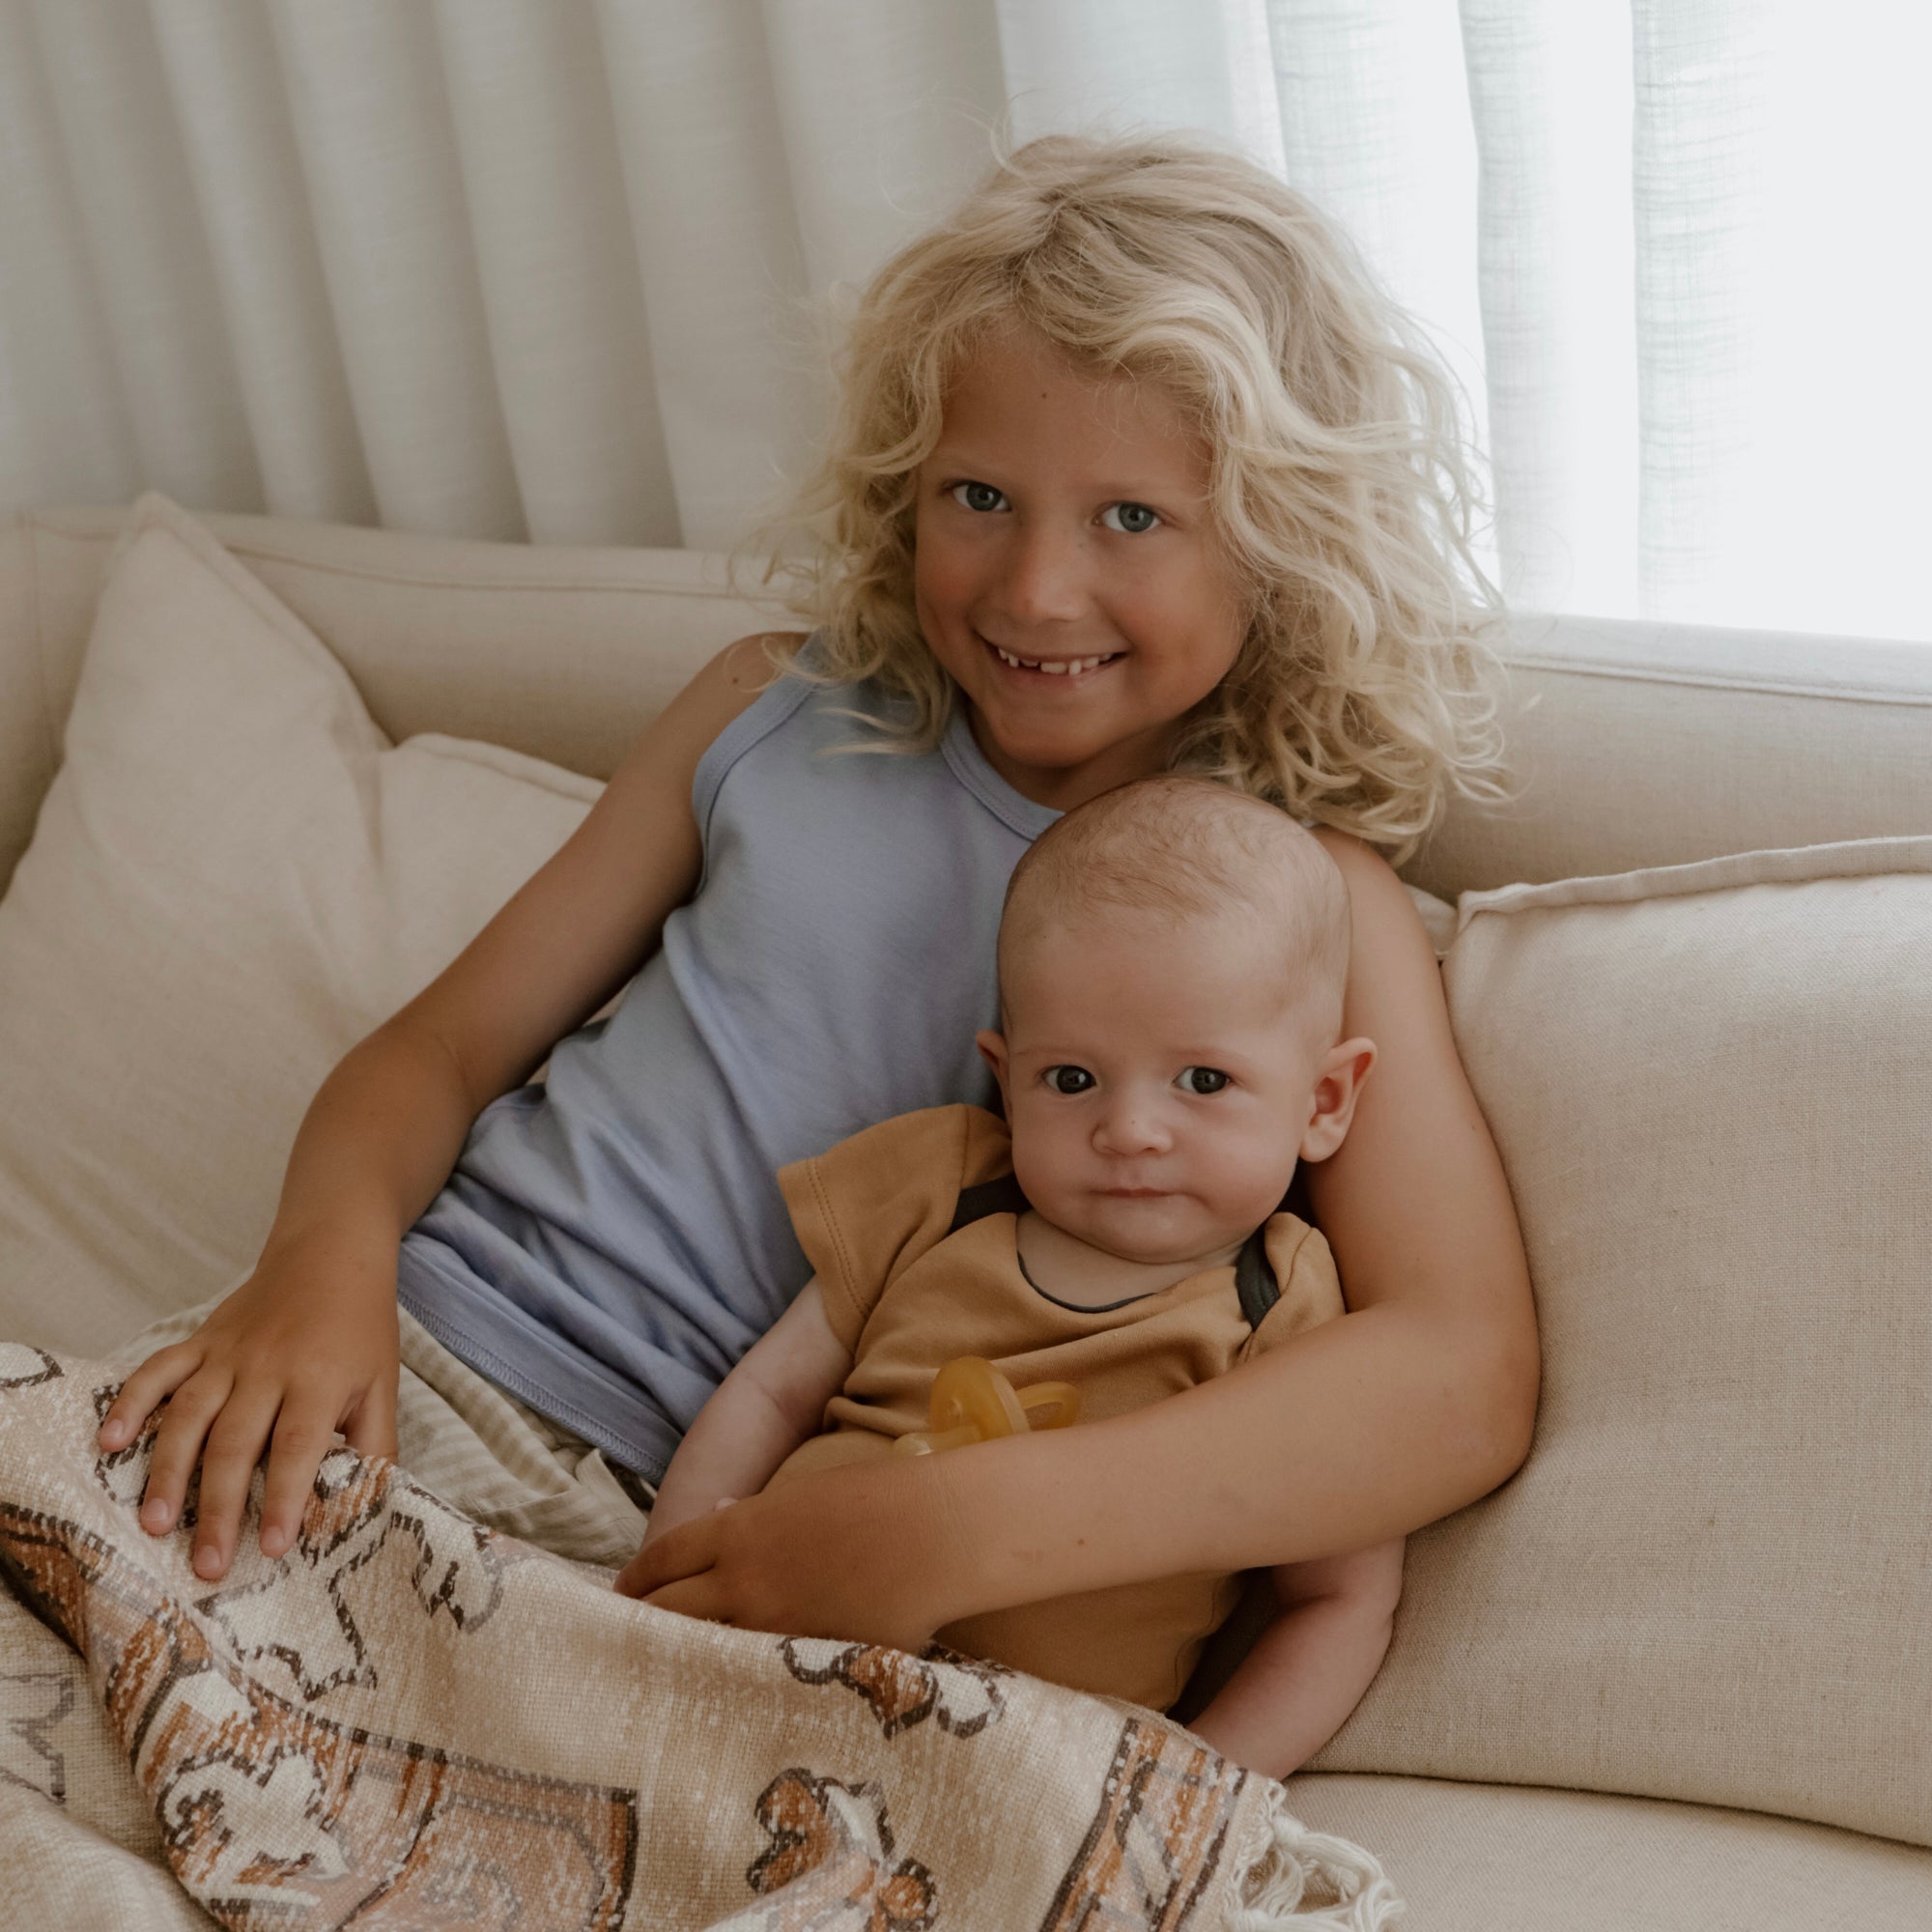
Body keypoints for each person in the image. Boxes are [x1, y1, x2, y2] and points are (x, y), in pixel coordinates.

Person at [98, 133, 1538, 1748]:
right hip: (415, 1366)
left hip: (718, 1525)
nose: (1038, 586)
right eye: (977, 498)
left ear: (1277, 539)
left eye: (1133, 515)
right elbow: (432, 1056)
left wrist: (961, 1527)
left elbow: (1458, 1373)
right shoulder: (767, 711)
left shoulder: (1308, 892)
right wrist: (321, 1265)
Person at [632, 778, 1403, 1776]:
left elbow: (1338, 1598)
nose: (1128, 1128)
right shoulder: (940, 1185)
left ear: (1324, 1099)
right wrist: (658, 1593)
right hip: (761, 1662)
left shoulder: (1283, 1308)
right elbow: (773, 1386)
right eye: (1070, 1078)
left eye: (1203, 1080)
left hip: (1020, 1759)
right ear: (1005, 1073)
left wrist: (1187, 1793)